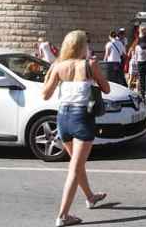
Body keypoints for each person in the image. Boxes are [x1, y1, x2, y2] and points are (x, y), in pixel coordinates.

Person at [42, 31, 109, 227]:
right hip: (82, 118)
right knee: (75, 167)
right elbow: (106, 89)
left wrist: (51, 74)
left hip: (63, 118)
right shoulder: (89, 65)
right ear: (82, 46)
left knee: (76, 164)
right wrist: (94, 79)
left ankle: (90, 196)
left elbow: (45, 95)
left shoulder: (58, 66)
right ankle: (63, 215)